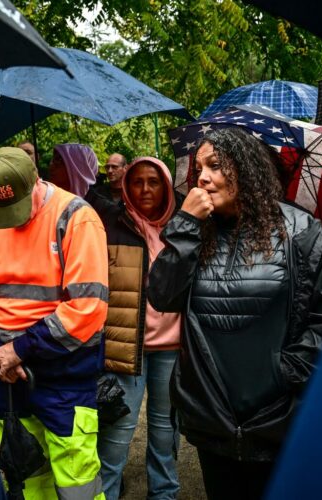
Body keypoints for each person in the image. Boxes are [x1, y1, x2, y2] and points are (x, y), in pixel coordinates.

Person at [147, 128, 322, 500]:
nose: (201, 177)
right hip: (213, 421)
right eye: (198, 167)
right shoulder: (196, 232)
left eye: (215, 166)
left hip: (278, 421)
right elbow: (162, 296)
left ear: (248, 170)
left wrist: (283, 374)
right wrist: (186, 226)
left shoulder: (303, 235)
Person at [0, 147, 108, 499]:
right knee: (25, 474)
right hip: (8, 376)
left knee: (78, 481)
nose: (10, 220)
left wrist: (19, 349)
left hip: (65, 372)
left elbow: (87, 306)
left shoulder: (75, 217)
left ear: (36, 182)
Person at [98, 157, 181, 500]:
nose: (145, 189)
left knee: (166, 432)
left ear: (166, 185)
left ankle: (163, 494)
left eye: (154, 181)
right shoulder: (110, 224)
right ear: (126, 187)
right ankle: (105, 494)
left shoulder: (183, 228)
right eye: (137, 182)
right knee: (117, 432)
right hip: (125, 345)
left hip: (173, 348)